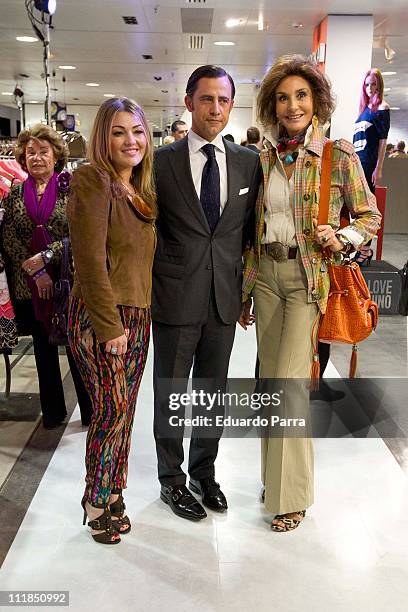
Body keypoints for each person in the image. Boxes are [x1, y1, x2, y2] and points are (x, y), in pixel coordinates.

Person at [240, 54, 381, 532]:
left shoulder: (336, 155)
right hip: (264, 280)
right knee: (268, 387)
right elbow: (251, 227)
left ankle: (291, 496)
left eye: (301, 95)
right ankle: (275, 479)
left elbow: (369, 217)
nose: (292, 105)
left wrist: (344, 238)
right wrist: (244, 289)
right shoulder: (263, 157)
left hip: (306, 283)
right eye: (282, 98)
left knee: (289, 387)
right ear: (272, 106)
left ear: (316, 102)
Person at [153, 65, 259, 521]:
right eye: (206, 99)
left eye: (223, 100)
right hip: (175, 296)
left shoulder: (248, 162)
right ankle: (171, 480)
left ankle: (203, 472)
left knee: (212, 392)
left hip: (223, 298)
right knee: (174, 393)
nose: (215, 109)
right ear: (189, 102)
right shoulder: (160, 161)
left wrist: (248, 291)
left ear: (232, 105)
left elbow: (248, 234)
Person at [67, 97, 156, 545]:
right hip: (102, 318)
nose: (130, 140)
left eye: (137, 131)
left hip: (137, 317)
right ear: (103, 137)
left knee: (125, 413)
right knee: (111, 411)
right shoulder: (93, 179)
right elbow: (88, 260)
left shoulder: (139, 189)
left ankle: (114, 490)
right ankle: (96, 498)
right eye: (119, 131)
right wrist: (109, 326)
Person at [1, 124, 92, 429]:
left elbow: (79, 234)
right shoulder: (14, 193)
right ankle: (53, 412)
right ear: (23, 159)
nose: (37, 157)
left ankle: (90, 412)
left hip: (67, 281)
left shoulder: (71, 188)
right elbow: (8, 237)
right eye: (30, 152)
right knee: (43, 349)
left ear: (56, 156)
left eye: (43, 151)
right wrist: (37, 270)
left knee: (76, 348)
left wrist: (48, 256)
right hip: (29, 286)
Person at [353, 68, 390, 264]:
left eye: (373, 84)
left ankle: (365, 250)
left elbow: (383, 140)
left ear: (379, 85)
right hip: (357, 163)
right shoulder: (365, 109)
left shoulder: (382, 108)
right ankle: (361, 247)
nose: (369, 88)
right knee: (357, 206)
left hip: (368, 164)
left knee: (367, 208)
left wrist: (379, 167)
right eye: (367, 84)